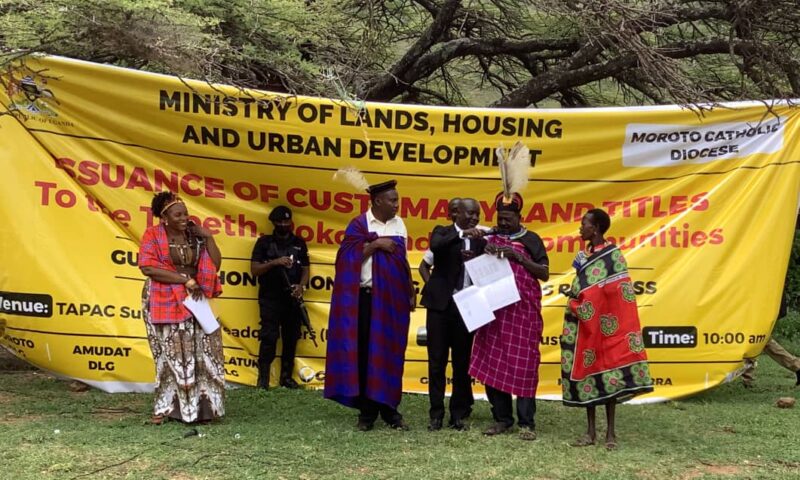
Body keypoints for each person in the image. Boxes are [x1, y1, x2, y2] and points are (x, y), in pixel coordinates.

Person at [324, 179, 416, 431]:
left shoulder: (399, 224)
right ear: (377, 201)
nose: (397, 204)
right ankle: (367, 414)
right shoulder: (358, 224)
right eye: (392, 200)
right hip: (365, 300)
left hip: (392, 301)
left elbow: (403, 261)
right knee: (365, 354)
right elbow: (345, 260)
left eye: (397, 200)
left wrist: (410, 289)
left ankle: (390, 410)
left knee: (390, 354)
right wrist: (374, 245)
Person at [561, 208, 654, 449]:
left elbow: (619, 291)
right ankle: (590, 432)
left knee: (611, 374)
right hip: (588, 325)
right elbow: (583, 288)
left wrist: (584, 300)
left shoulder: (613, 256)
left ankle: (611, 433)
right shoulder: (583, 256)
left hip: (609, 325)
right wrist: (578, 300)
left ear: (597, 228)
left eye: (584, 224)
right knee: (589, 372)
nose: (580, 228)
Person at [469, 192, 549, 441]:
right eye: (500, 218)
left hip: (523, 314)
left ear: (519, 216)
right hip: (493, 312)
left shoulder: (531, 239)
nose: (503, 223)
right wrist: (482, 247)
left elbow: (544, 273)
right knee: (493, 361)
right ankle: (502, 419)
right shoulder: (488, 237)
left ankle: (527, 423)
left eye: (508, 219)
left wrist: (518, 257)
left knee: (524, 364)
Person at [138, 192, 224, 424]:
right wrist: (183, 279)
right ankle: (168, 408)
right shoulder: (152, 235)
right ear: (164, 217)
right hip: (164, 297)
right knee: (172, 354)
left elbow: (214, 264)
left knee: (204, 351)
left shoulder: (194, 236)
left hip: (195, 297)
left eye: (185, 213)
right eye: (178, 214)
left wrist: (208, 237)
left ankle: (204, 410)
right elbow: (147, 267)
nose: (184, 217)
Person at [421, 198, 485, 431]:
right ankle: (435, 414)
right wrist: (463, 235)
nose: (475, 218)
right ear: (456, 214)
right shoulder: (443, 232)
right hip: (441, 308)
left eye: (477, 214)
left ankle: (458, 414)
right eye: (470, 213)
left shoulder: (481, 240)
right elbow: (436, 246)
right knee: (436, 362)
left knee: (462, 363)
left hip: (467, 306)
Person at [250, 206, 310, 390]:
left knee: (291, 337)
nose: (284, 225)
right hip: (270, 298)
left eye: (287, 221)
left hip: (292, 298)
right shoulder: (264, 243)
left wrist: (301, 287)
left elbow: (306, 269)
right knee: (269, 337)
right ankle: (263, 380)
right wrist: (276, 262)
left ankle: (286, 377)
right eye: (280, 222)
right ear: (273, 223)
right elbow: (254, 270)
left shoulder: (299, 242)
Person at [419, 197, 461, 283]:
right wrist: (432, 289)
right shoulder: (442, 235)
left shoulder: (478, 235)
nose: (458, 214)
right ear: (449, 215)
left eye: (461, 210)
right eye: (455, 211)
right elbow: (423, 267)